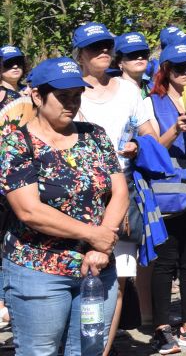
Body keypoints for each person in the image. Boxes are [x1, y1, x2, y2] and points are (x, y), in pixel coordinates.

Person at [0, 57, 127, 356]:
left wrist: (101, 245)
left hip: (96, 267)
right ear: (37, 95)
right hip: (39, 270)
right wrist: (94, 235)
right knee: (39, 352)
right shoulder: (16, 143)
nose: (71, 103)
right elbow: (29, 210)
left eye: (76, 95)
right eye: (62, 96)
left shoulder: (95, 135)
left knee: (88, 350)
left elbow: (119, 191)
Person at [73, 22, 142, 356]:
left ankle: (102, 350)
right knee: (80, 277)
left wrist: (137, 145)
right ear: (80, 55)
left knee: (119, 280)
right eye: (94, 47)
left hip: (122, 192)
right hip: (79, 195)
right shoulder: (69, 90)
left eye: (107, 46)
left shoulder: (129, 91)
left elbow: (148, 133)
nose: (103, 52)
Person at [137, 42, 186, 353]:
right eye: (178, 68)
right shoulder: (150, 104)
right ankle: (161, 327)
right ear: (165, 71)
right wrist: (175, 130)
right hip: (167, 186)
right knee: (165, 260)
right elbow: (151, 150)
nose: (185, 73)